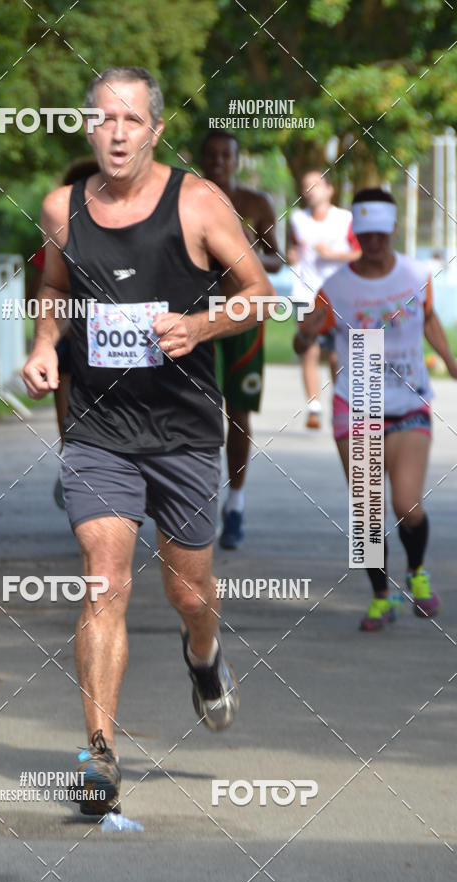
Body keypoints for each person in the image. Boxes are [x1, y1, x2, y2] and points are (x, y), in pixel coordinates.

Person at [21, 66, 275, 815]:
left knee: (188, 591)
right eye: (105, 119)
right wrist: (43, 345)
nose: (119, 133)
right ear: (89, 126)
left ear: (156, 130)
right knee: (105, 577)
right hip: (101, 430)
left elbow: (258, 293)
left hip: (185, 430)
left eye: (133, 120)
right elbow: (58, 289)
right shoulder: (61, 209)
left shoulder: (197, 202)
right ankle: (98, 754)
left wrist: (199, 325)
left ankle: (204, 655)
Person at [295, 187, 457, 631]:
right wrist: (305, 334)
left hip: (408, 402)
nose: (374, 242)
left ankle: (417, 572)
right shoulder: (337, 287)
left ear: (393, 229)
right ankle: (382, 597)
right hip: (359, 401)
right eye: (366, 234)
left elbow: (428, 319)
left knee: (406, 504)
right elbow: (303, 335)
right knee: (367, 510)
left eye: (381, 233)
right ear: (357, 234)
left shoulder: (414, 273)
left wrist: (447, 359)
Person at [200, 129, 283, 549]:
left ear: (236, 160)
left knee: (239, 412)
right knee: (200, 410)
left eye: (225, 156)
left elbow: (277, 259)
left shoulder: (256, 204)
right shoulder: (187, 200)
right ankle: (199, 501)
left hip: (245, 318)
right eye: (211, 156)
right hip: (199, 318)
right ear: (201, 159)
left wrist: (247, 251)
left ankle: (235, 502)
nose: (218, 163)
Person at [27, 159, 100, 507]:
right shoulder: (55, 240)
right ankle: (73, 468)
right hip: (70, 345)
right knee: (71, 427)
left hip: (117, 350)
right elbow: (36, 295)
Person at [288, 170, 361, 428]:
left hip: (338, 294)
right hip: (306, 293)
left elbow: (359, 254)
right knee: (309, 349)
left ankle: (341, 403)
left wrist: (332, 254)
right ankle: (313, 407)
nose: (311, 190)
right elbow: (291, 249)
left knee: (335, 356)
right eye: (306, 186)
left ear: (330, 189)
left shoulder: (345, 219)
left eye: (316, 185)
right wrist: (292, 256)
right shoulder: (297, 219)